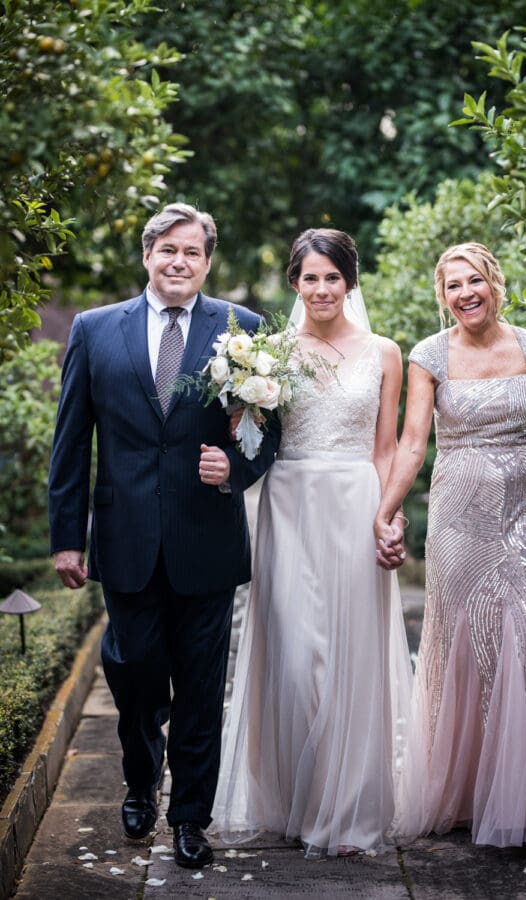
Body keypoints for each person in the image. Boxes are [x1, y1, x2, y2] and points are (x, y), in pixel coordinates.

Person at [48, 203, 280, 868]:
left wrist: (234, 467)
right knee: (136, 676)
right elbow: (71, 444)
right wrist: (68, 537)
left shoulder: (244, 329)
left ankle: (189, 818)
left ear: (207, 262)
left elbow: (269, 431)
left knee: (202, 687)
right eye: (167, 250)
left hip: (206, 539)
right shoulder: (95, 331)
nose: (179, 262)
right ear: (148, 255)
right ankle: (140, 780)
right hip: (124, 540)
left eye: (193, 253)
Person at [374, 242, 526, 847]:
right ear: (442, 296)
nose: (465, 293)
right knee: (461, 644)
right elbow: (414, 443)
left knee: (525, 639)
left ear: (494, 283)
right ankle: (463, 791)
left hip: (524, 516)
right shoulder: (429, 357)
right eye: (453, 286)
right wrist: (387, 510)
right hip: (457, 518)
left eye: (474, 281)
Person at [211, 228, 413, 858]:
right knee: (297, 658)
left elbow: (387, 446)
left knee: (351, 657)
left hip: (355, 502)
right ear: (294, 283)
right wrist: (241, 415)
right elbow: (248, 438)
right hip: (290, 504)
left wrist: (388, 516)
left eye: (332, 277)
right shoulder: (266, 353)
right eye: (309, 277)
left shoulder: (385, 352)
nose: (321, 288)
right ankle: (292, 796)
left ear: (349, 282)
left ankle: (346, 811)